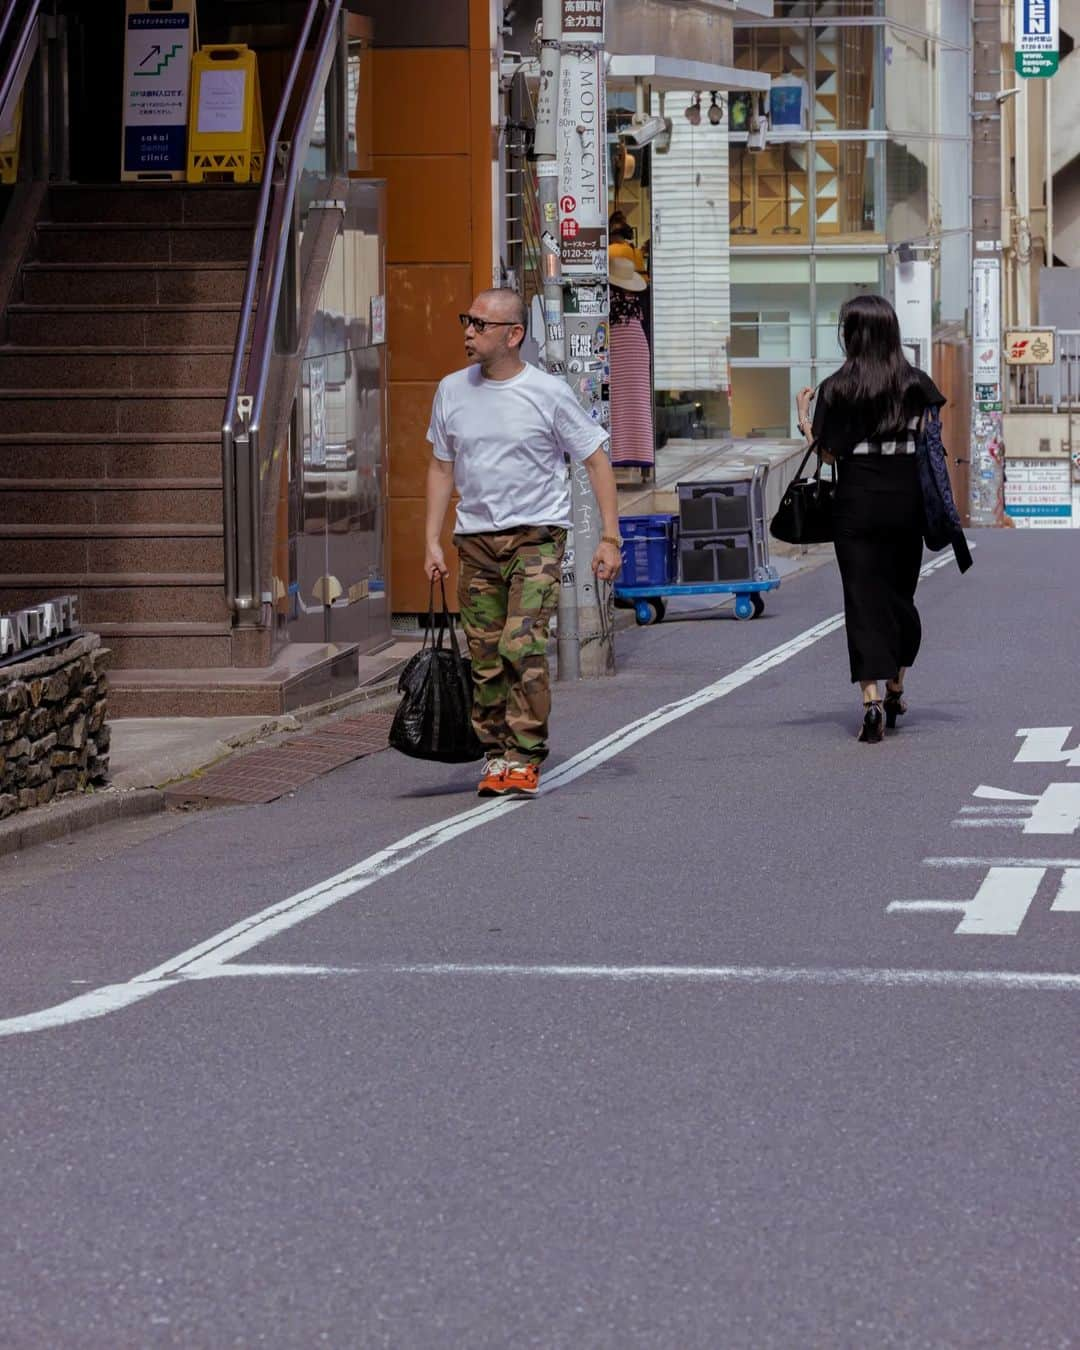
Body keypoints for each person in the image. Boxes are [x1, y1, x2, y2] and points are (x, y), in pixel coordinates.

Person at [424, 288, 622, 797]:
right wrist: (431, 541)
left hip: (535, 538)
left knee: (522, 643)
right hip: (474, 540)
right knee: (486, 653)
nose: (468, 332)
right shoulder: (451, 390)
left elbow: (596, 459)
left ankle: (525, 753)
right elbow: (441, 467)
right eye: (465, 321)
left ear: (513, 335)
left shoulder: (547, 392)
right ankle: (495, 754)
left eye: (480, 324)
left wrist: (609, 536)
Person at [796, 294, 946, 744]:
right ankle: (898, 683)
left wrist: (805, 419)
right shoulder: (916, 382)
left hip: (856, 504)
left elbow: (825, 451)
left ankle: (872, 700)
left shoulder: (837, 388)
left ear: (852, 335)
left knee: (862, 601)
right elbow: (930, 440)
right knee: (901, 598)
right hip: (906, 505)